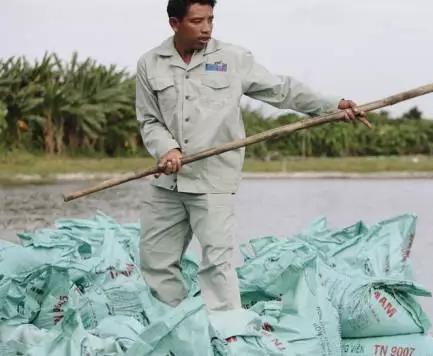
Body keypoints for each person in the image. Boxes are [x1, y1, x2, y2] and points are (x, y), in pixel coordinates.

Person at [135, 0, 367, 313]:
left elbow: (282, 90)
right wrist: (168, 149)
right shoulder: (151, 63)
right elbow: (149, 120)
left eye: (211, 19)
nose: (206, 28)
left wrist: (331, 105)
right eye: (197, 21)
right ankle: (176, 329)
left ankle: (227, 333)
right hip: (168, 182)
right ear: (175, 23)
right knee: (157, 262)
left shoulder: (232, 59)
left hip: (213, 179)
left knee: (217, 263)